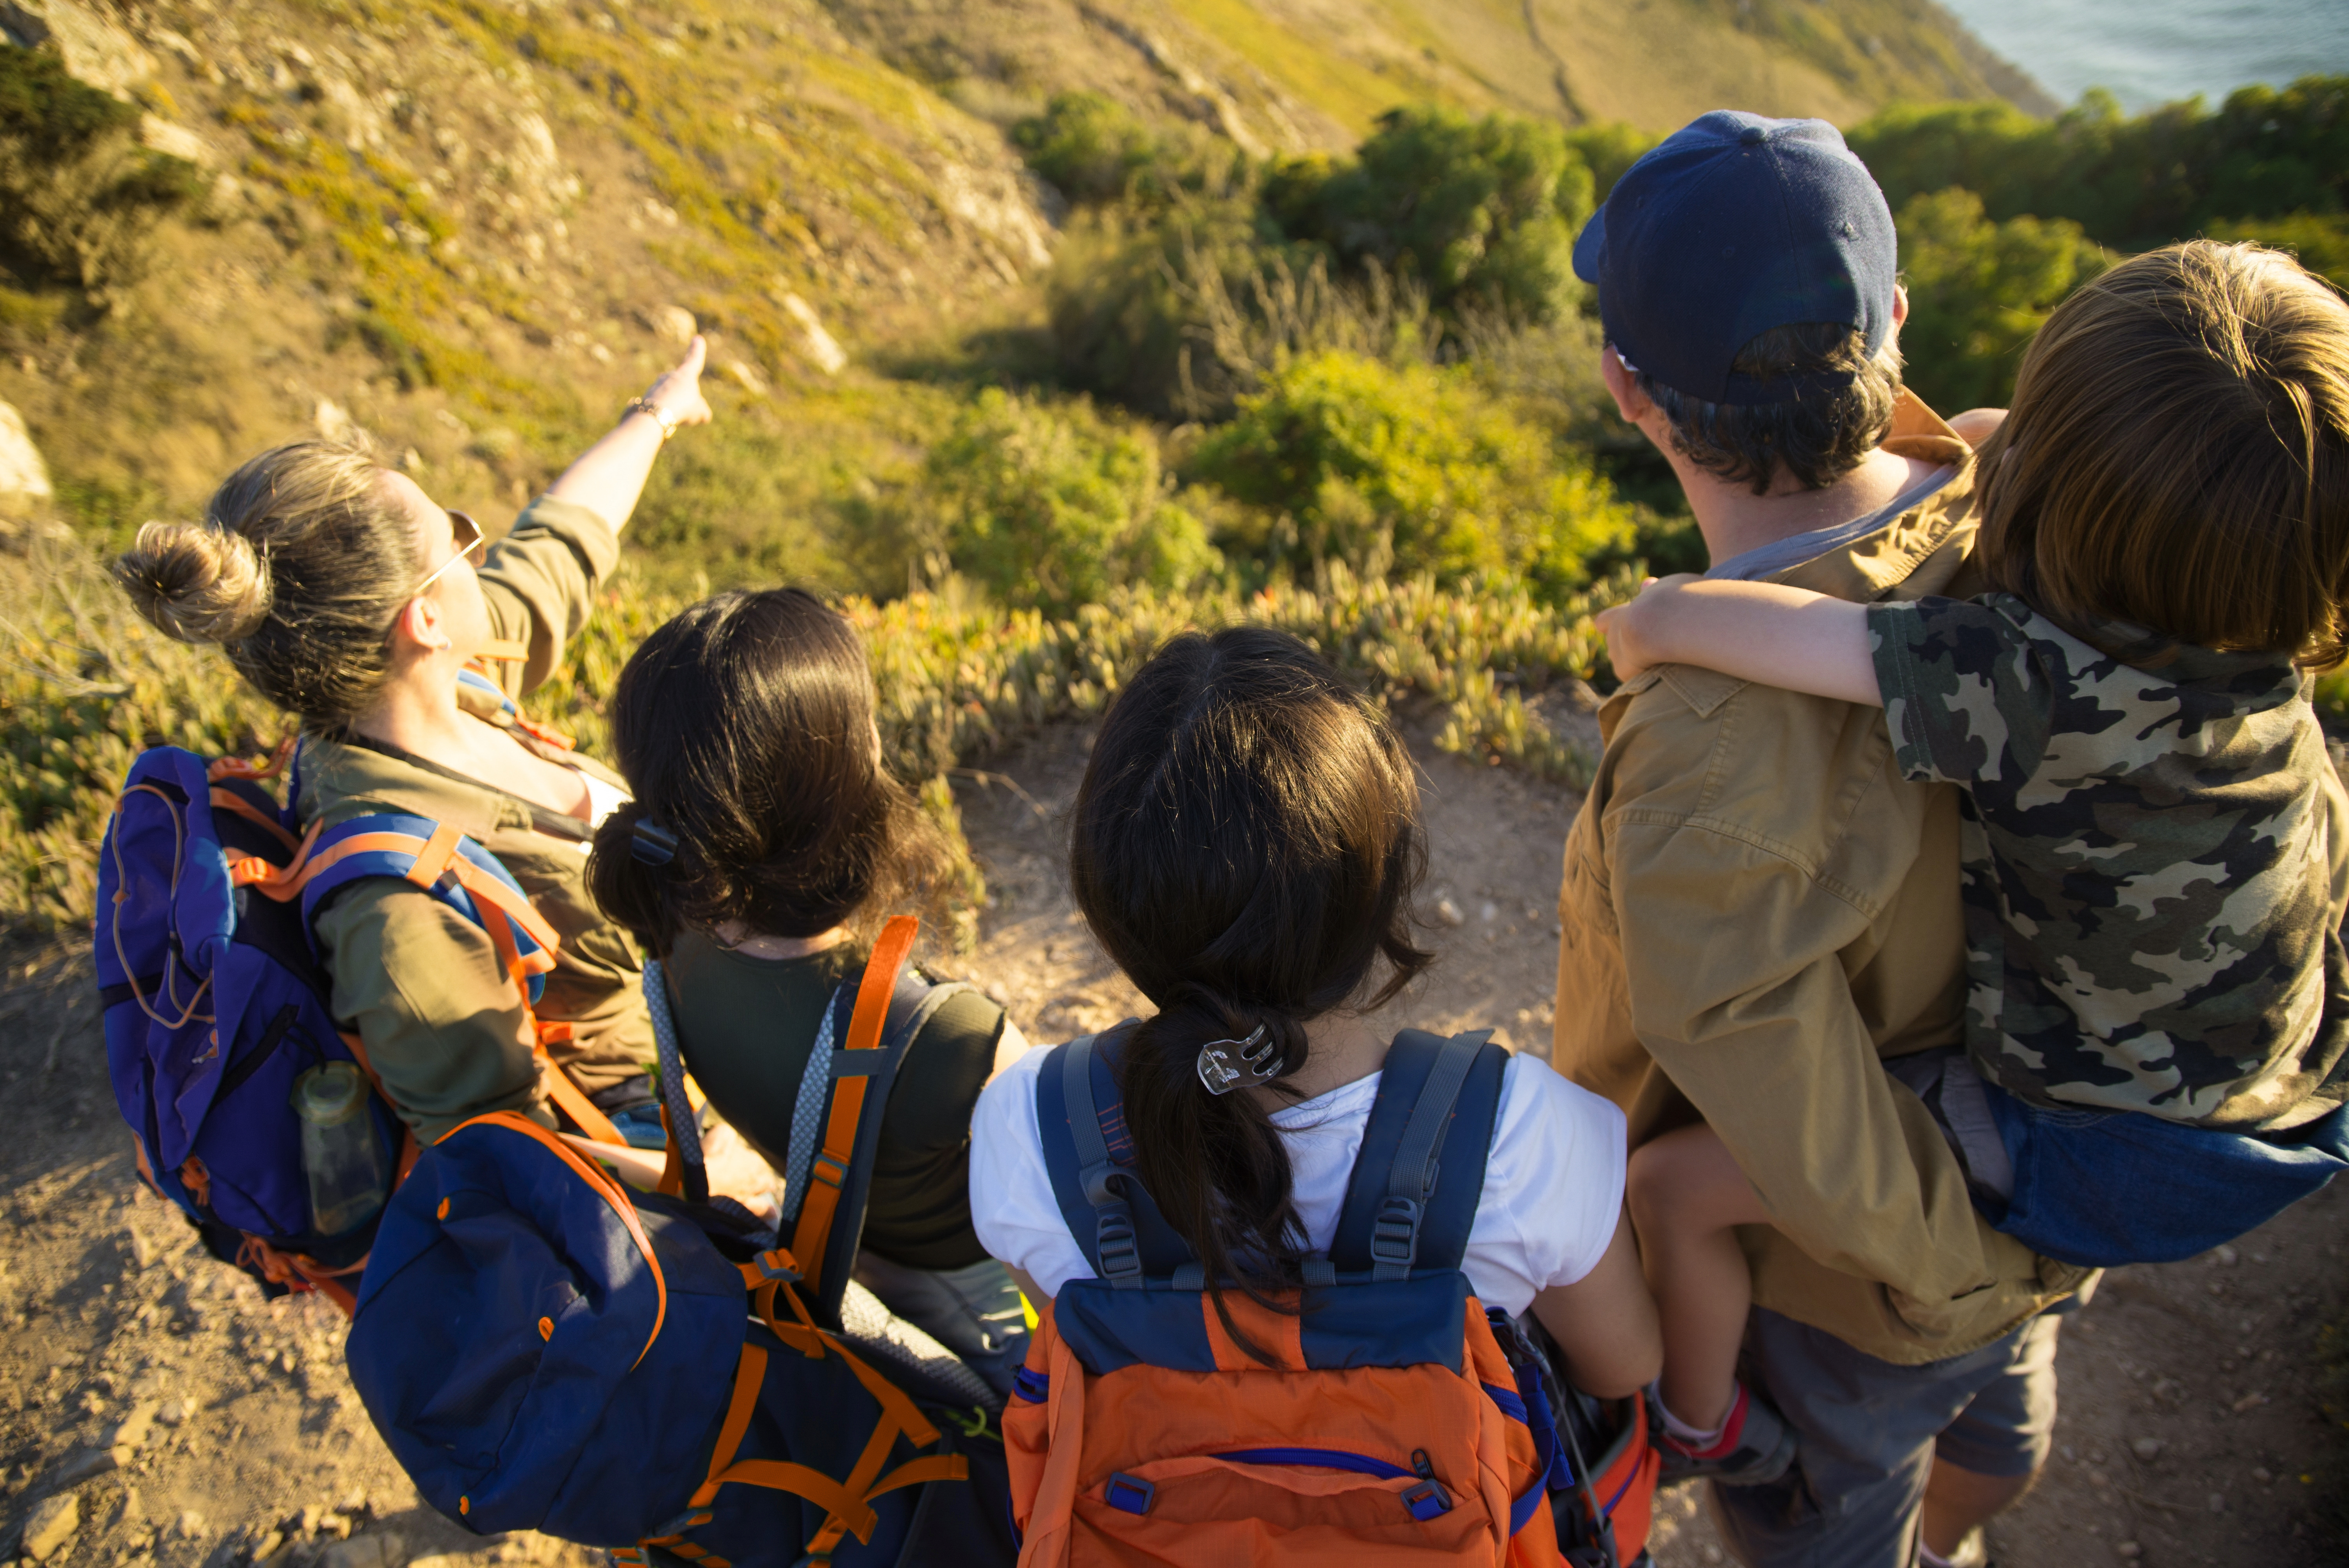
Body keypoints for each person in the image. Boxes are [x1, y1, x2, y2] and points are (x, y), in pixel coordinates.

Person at [1592, 238, 2349, 1537]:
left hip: (2092, 1145)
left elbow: (1805, 637)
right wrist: (1996, 447)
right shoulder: (2256, 655)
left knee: (1667, 1187)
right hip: (2261, 1102)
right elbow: (2006, 461)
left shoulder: (2032, 685)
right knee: (2001, 1403)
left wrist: (1661, 616)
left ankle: (1693, 1420)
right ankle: (1953, 1525)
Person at [1550, 110, 2133, 1568]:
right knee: (1999, 1439)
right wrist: (2034, 1254)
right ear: (1892, 324)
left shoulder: (1696, 752)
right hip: (2052, 1187)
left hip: (1865, 1297)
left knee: (1824, 1521)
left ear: (1628, 389)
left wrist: (1975, 1269)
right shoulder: (2051, 531)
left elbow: (1701, 1091)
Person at [970, 625, 1661, 1396]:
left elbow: (1082, 1354)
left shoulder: (1028, 1132)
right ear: (1382, 878)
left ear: (1108, 905)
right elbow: (1622, 1370)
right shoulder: (1524, 1139)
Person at [113, 338, 723, 1184]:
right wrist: (728, 1187)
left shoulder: (446, 695)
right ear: (423, 621)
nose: (483, 550)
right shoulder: (393, 912)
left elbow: (555, 552)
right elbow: (496, 1157)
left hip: (703, 1074)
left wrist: (657, 412)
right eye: (460, 538)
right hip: (669, 1163)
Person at [585, 586, 1033, 1385]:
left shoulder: (673, 934)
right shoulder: (947, 1037)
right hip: (979, 1317)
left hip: (839, 1263)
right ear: (848, 765)